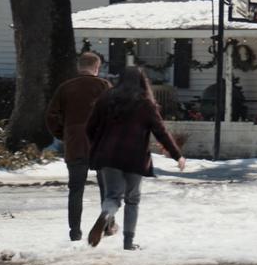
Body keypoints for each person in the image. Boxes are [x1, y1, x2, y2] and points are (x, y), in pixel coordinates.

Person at [85, 66, 186, 250]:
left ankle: (106, 214)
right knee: (133, 199)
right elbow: (160, 132)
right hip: (134, 156)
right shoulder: (145, 104)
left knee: (112, 196)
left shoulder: (106, 99)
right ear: (142, 82)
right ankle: (128, 242)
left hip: (108, 155)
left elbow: (89, 127)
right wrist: (177, 155)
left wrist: (99, 144)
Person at [46, 51, 115, 242]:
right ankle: (108, 226)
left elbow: (51, 116)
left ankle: (75, 231)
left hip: (75, 143)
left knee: (76, 190)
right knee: (107, 189)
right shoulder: (104, 87)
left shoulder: (66, 88)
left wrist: (64, 134)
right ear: (96, 67)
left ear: (79, 67)